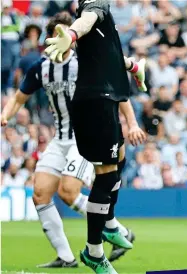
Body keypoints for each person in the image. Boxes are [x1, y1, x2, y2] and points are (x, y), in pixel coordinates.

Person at [0, 13, 140, 268]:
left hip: (84, 137)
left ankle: (113, 227)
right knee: (41, 194)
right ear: (51, 38)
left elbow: (117, 94)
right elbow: (19, 98)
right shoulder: (41, 68)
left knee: (68, 191)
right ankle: (66, 257)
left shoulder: (86, 63)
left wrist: (131, 123)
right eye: (58, 34)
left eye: (68, 33)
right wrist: (4, 115)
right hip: (60, 138)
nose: (63, 38)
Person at [43, 0, 149, 271]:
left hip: (100, 102)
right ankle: (94, 251)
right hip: (96, 104)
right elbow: (86, 20)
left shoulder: (99, 29)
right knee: (107, 174)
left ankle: (110, 225)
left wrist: (134, 68)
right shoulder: (96, 8)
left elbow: (111, 57)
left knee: (116, 163)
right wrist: (73, 34)